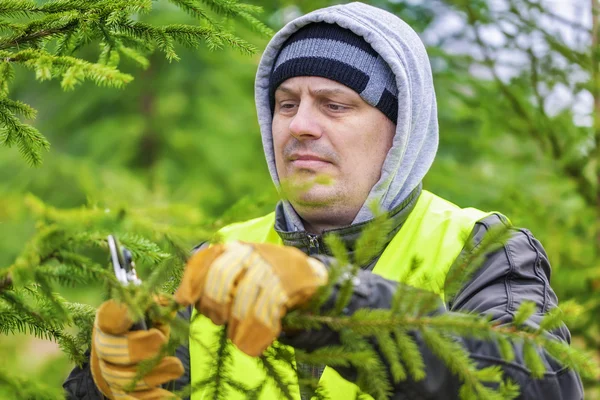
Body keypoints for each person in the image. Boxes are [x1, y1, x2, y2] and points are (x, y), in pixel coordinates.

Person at [64, 2, 584, 399]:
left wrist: (332, 299)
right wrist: (102, 379)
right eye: (286, 104)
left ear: (400, 131)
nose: (300, 126)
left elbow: (536, 381)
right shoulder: (214, 257)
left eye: (335, 105)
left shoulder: (481, 249)